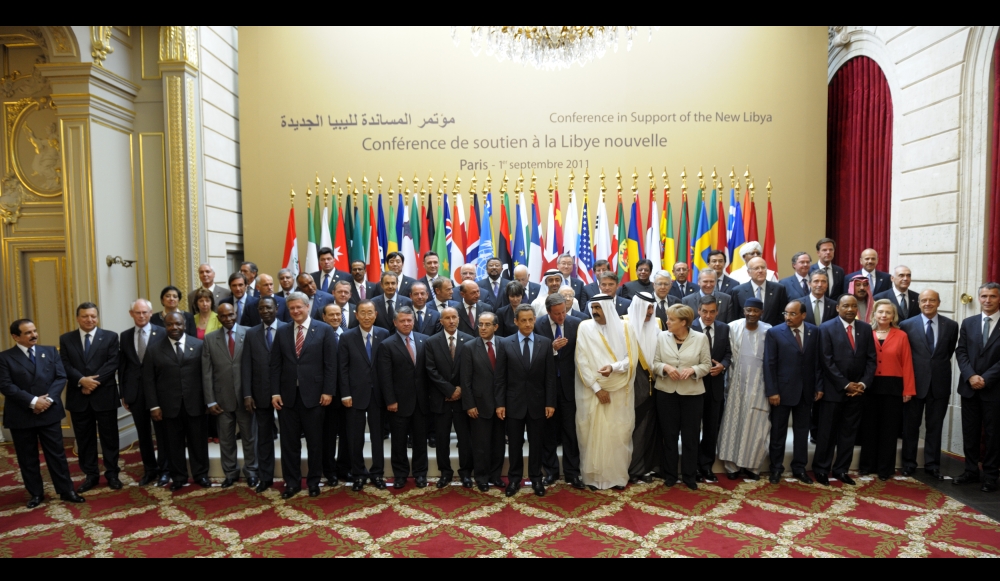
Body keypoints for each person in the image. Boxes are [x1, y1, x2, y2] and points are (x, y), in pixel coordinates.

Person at [1, 319, 84, 508]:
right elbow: (6, 385)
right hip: (21, 414)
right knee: (27, 456)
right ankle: (36, 493)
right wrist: (33, 401)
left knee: (56, 454)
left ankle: (66, 490)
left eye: (35, 331)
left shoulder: (50, 351)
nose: (34, 335)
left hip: (49, 411)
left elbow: (60, 377)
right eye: (28, 333)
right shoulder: (5, 358)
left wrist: (47, 400)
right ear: (16, 337)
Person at [270, 292, 338, 499]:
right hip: (288, 397)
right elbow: (275, 365)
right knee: (289, 443)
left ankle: (314, 481)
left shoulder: (324, 329)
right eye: (292, 308)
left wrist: (328, 391)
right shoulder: (282, 332)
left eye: (299, 307)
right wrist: (275, 392)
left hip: (315, 396)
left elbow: (330, 364)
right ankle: (292, 483)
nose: (296, 311)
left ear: (307, 307)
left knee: (315, 442)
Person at [813, 295, 877, 486]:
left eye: (853, 306)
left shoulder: (865, 329)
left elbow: (871, 359)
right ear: (837, 308)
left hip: (857, 392)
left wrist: (862, 385)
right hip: (833, 391)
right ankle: (821, 470)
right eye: (846, 306)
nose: (850, 309)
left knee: (848, 433)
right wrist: (845, 384)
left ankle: (841, 469)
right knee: (827, 433)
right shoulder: (825, 328)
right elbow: (826, 360)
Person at [144, 311, 210, 490]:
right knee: (174, 445)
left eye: (178, 324)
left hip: (195, 404)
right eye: (170, 324)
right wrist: (154, 406)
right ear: (165, 326)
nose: (174, 327)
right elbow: (149, 380)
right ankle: (179, 478)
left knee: (198, 443)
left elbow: (206, 375)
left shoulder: (198, 345)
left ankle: (201, 475)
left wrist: (208, 401)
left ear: (185, 325)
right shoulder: (154, 349)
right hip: (168, 407)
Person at [59, 303, 121, 492]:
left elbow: (112, 363)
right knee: (84, 440)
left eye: (93, 316)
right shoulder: (66, 339)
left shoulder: (110, 337)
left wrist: (92, 383)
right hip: (79, 397)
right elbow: (64, 364)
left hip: (104, 395)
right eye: (85, 316)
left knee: (110, 438)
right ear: (77, 318)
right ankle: (91, 475)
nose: (89, 320)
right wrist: (81, 380)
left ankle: (112, 474)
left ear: (98, 317)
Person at [497, 304, 557, 497]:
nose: (528, 324)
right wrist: (500, 403)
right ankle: (514, 480)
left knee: (537, 443)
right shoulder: (505, 343)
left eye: (531, 319)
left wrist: (550, 402)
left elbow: (549, 377)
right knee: (514, 444)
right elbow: (500, 378)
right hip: (513, 403)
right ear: (516, 322)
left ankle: (536, 479)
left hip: (538, 403)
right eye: (523, 320)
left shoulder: (545, 343)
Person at [899, 289, 958, 480]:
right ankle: (909, 463)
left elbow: (947, 353)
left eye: (932, 300)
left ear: (938, 302)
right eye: (924, 300)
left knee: (935, 427)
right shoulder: (906, 325)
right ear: (919, 303)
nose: (927, 303)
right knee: (910, 426)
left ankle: (932, 465)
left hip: (939, 384)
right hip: (914, 383)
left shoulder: (951, 325)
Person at [653, 304, 712, 489]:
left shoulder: (701, 338)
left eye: (671, 319)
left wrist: (693, 370)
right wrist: (666, 368)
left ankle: (689, 476)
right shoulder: (662, 336)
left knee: (691, 437)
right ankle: (670, 475)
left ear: (684, 322)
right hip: (666, 394)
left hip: (692, 396)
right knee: (668, 436)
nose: (667, 322)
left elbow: (707, 365)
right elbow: (654, 363)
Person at [763, 301, 821, 484]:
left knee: (802, 433)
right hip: (782, 392)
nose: (787, 317)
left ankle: (799, 468)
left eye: (793, 314)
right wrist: (772, 391)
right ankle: (776, 468)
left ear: (803, 315)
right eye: (786, 313)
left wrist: (819, 387)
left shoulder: (814, 331)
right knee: (778, 433)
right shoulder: (774, 332)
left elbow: (818, 362)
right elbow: (769, 364)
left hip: (806, 391)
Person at [857, 300, 916, 481]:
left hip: (893, 386)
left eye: (888, 313)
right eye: (880, 312)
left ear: (893, 316)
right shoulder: (867, 333)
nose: (884, 315)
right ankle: (867, 466)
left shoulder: (901, 335)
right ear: (874, 314)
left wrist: (908, 390)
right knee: (869, 427)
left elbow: (907, 363)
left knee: (889, 429)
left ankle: (885, 469)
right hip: (870, 384)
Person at [202, 303, 257, 488]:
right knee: (226, 439)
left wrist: (252, 394)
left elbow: (255, 366)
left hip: (245, 397)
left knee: (249, 437)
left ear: (236, 314)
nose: (228, 318)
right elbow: (207, 372)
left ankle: (251, 471)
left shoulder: (249, 333)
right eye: (223, 316)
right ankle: (231, 473)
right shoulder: (210, 339)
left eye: (231, 315)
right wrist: (210, 400)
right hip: (221, 398)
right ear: (218, 318)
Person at [717, 298, 772, 480]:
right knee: (734, 424)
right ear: (743, 310)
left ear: (761, 313)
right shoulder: (733, 327)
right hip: (735, 385)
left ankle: (752, 467)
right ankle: (732, 467)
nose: (751, 314)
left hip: (760, 386)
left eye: (755, 311)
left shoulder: (768, 330)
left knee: (758, 426)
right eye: (748, 310)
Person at [535, 294, 585, 489]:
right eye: (557, 314)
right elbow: (534, 355)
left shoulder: (577, 323)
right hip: (546, 388)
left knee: (571, 432)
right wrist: (551, 348)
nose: (561, 316)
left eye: (563, 311)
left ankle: (573, 473)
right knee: (549, 433)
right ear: (548, 312)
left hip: (570, 387)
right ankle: (551, 472)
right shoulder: (538, 325)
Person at [338, 300, 390, 491]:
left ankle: (377, 473)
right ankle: (358, 473)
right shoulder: (347, 337)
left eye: (370, 313)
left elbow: (387, 367)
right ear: (356, 315)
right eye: (363, 313)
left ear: (375, 314)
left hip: (378, 395)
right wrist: (345, 394)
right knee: (355, 437)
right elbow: (342, 369)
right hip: (354, 395)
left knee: (378, 437)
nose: (367, 317)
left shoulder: (384, 334)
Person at [954, 282, 1000, 491]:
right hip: (970, 388)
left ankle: (991, 475)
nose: (987, 300)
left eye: (992, 296)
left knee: (993, 434)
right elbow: (961, 351)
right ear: (979, 298)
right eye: (984, 296)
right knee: (970, 432)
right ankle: (971, 471)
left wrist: (986, 378)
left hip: (994, 389)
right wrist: (971, 375)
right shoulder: (968, 322)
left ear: (999, 299)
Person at [120, 299, 169, 486]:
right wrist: (124, 393)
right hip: (135, 393)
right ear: (131, 313)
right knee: (143, 434)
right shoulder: (124, 336)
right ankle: (150, 470)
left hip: (158, 392)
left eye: (144, 312)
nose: (141, 316)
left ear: (151, 313)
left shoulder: (163, 333)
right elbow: (123, 366)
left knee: (162, 433)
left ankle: (165, 470)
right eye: (137, 312)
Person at [379, 307, 430, 489]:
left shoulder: (425, 341)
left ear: (414, 321)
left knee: (420, 441)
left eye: (409, 320)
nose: (407, 323)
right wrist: (390, 400)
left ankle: (420, 474)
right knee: (399, 442)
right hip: (398, 403)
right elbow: (385, 377)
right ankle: (400, 475)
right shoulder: (387, 344)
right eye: (403, 321)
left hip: (421, 402)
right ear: (395, 322)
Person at [425, 307, 475, 488]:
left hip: (463, 399)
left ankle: (466, 473)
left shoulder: (469, 341)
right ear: (441, 321)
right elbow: (431, 370)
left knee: (465, 439)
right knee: (442, 439)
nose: (451, 321)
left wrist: (460, 389)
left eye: (454, 317)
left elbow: (471, 370)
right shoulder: (431, 342)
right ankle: (445, 472)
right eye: (447, 318)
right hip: (441, 399)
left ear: (459, 319)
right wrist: (449, 390)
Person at [241, 296, 286, 493]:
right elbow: (246, 365)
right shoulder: (251, 333)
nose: (265, 311)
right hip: (259, 393)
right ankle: (265, 477)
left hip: (286, 394)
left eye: (268, 307)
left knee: (288, 439)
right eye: (261, 308)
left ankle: (289, 477)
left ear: (276, 308)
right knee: (264, 439)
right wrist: (247, 394)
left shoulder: (287, 328)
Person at [460, 311, 507, 491]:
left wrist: (503, 402)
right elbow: (466, 380)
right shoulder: (470, 347)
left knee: (498, 443)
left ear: (496, 327)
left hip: (501, 404)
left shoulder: (504, 344)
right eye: (480, 324)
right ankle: (481, 477)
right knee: (481, 445)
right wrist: (470, 404)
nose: (483, 328)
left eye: (487, 324)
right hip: (479, 405)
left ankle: (495, 476)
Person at [691, 295, 732, 483]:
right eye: (705, 311)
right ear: (698, 310)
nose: (708, 315)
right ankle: (691, 468)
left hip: (715, 388)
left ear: (717, 311)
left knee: (710, 430)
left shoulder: (724, 328)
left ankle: (706, 465)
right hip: (693, 386)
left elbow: (728, 353)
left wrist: (722, 365)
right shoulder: (689, 327)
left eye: (712, 312)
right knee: (692, 430)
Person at [626, 292, 662, 484]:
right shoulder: (625, 324)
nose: (649, 312)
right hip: (633, 384)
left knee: (649, 428)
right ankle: (632, 469)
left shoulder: (657, 325)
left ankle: (646, 468)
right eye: (646, 307)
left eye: (652, 308)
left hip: (655, 384)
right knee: (634, 428)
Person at [321, 302, 351, 485]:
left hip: (347, 394)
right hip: (327, 395)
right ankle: (330, 471)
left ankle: (344, 468)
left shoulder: (349, 336)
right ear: (324, 317)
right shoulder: (320, 336)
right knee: (328, 435)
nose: (335, 318)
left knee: (347, 435)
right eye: (331, 315)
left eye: (338, 314)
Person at [731, 257, 789, 327]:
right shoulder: (738, 291)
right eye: (756, 268)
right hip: (746, 333)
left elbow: (782, 314)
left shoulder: (779, 289)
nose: (760, 271)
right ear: (749, 272)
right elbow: (735, 317)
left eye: (763, 267)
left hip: (772, 333)